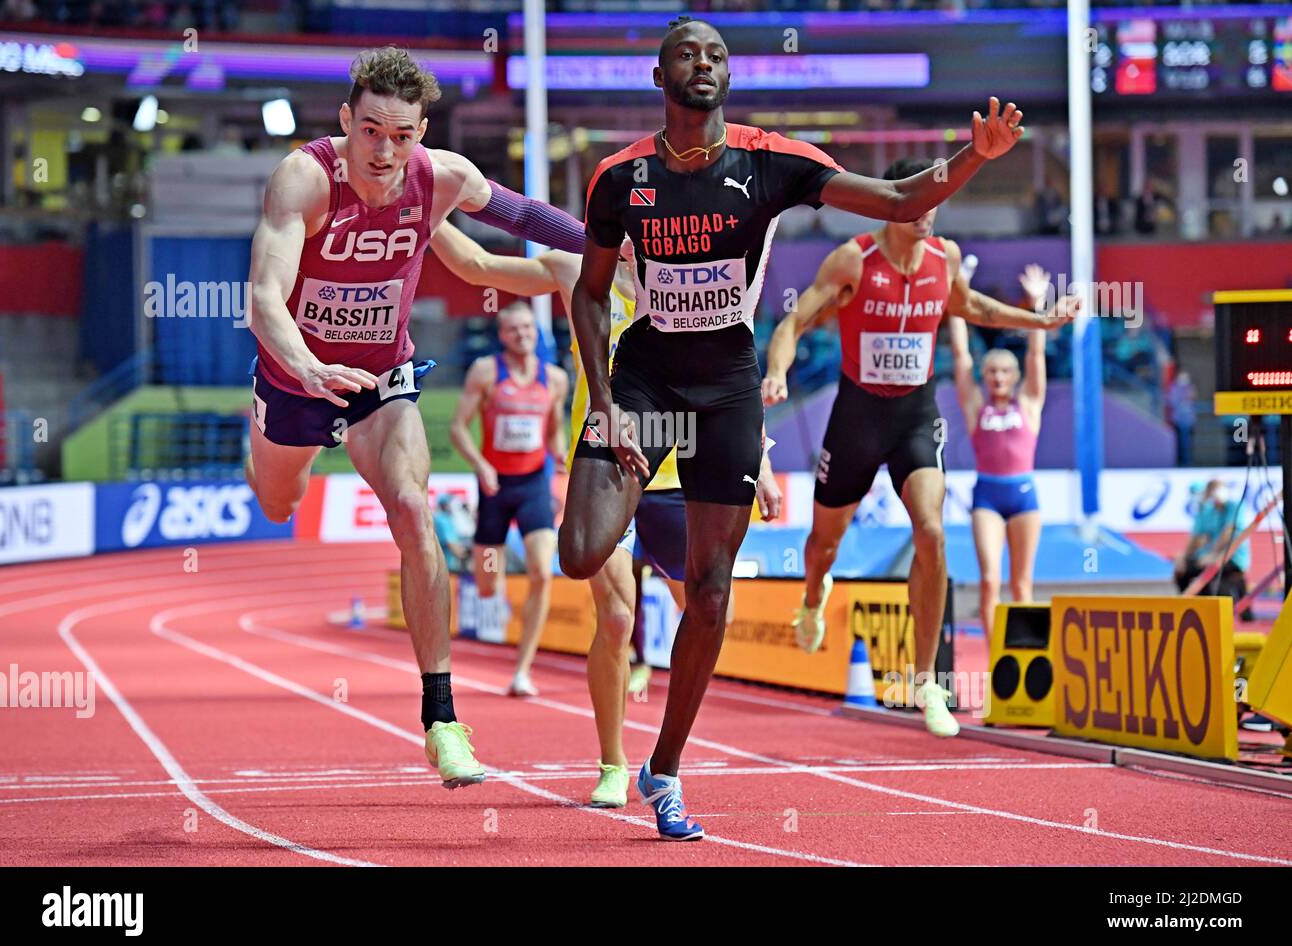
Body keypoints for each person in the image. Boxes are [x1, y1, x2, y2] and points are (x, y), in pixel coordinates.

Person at [558, 15, 1032, 839]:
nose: (700, 64)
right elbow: (591, 293)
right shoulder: (618, 178)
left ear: (728, 77)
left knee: (710, 597)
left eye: (714, 55)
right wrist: (603, 400)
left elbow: (897, 199)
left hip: (729, 390)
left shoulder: (771, 160)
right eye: (684, 53)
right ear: (659, 76)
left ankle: (663, 769)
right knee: (578, 552)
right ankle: (645, 516)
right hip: (642, 379)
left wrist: (974, 159)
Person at [243, 46, 585, 789]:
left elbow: (522, 215)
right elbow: (265, 295)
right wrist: (304, 366)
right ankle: (264, 440)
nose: (384, 151)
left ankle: (441, 721)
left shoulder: (440, 178)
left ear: (422, 131)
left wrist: (603, 248)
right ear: (346, 121)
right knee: (279, 501)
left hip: (381, 380)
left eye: (402, 136)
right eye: (370, 132)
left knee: (412, 509)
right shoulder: (303, 178)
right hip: (298, 377)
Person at [428, 220, 778, 807]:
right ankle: (613, 763)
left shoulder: (686, 284)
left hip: (676, 473)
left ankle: (665, 757)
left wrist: (759, 458)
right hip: (606, 475)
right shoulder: (574, 271)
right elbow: (479, 267)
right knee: (616, 621)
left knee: (712, 612)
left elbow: (733, 368)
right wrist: (426, 207)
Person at [762, 157, 1079, 740]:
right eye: (920, 201)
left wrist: (1040, 323)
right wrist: (777, 372)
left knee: (931, 532)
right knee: (822, 544)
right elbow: (794, 322)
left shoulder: (944, 258)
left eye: (938, 201)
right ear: (893, 202)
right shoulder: (854, 258)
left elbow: (974, 308)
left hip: (915, 414)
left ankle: (929, 680)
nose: (930, 212)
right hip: (857, 416)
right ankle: (812, 598)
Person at [449, 302, 568, 696]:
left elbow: (553, 431)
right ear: (502, 335)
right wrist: (481, 465)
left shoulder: (553, 379)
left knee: (541, 571)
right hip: (494, 489)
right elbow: (457, 429)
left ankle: (522, 671)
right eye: (514, 329)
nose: (523, 335)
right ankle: (492, 591)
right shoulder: (485, 372)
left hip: (534, 485)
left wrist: (562, 454)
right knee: (487, 586)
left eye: (528, 328)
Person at [948, 264, 1053, 640]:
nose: (997, 378)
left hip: (1024, 495)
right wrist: (958, 291)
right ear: (986, 375)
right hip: (987, 496)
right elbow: (961, 357)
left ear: (1013, 376)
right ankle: (996, 658)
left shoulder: (1029, 404)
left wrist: (1039, 303)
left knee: (1022, 584)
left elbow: (1035, 356)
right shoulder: (977, 407)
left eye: (1004, 373)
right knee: (990, 581)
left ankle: (1023, 652)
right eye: (991, 372)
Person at [1175, 480, 1252, 618]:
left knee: (1208, 570)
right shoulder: (1209, 511)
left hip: (1233, 556)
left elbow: (1227, 533)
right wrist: (1185, 556)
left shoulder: (1235, 507)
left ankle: (1211, 612)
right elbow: (1199, 538)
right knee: (1183, 571)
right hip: (1213, 556)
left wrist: (1212, 555)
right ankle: (1196, 609)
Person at [1167, 370, 1197, 466]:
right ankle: (1182, 462)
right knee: (1180, 442)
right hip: (1178, 419)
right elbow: (1172, 400)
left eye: (1186, 377)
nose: (1184, 379)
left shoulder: (1190, 388)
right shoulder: (1175, 388)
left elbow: (1192, 399)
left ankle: (1187, 461)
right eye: (1182, 377)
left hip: (1189, 420)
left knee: (1187, 442)